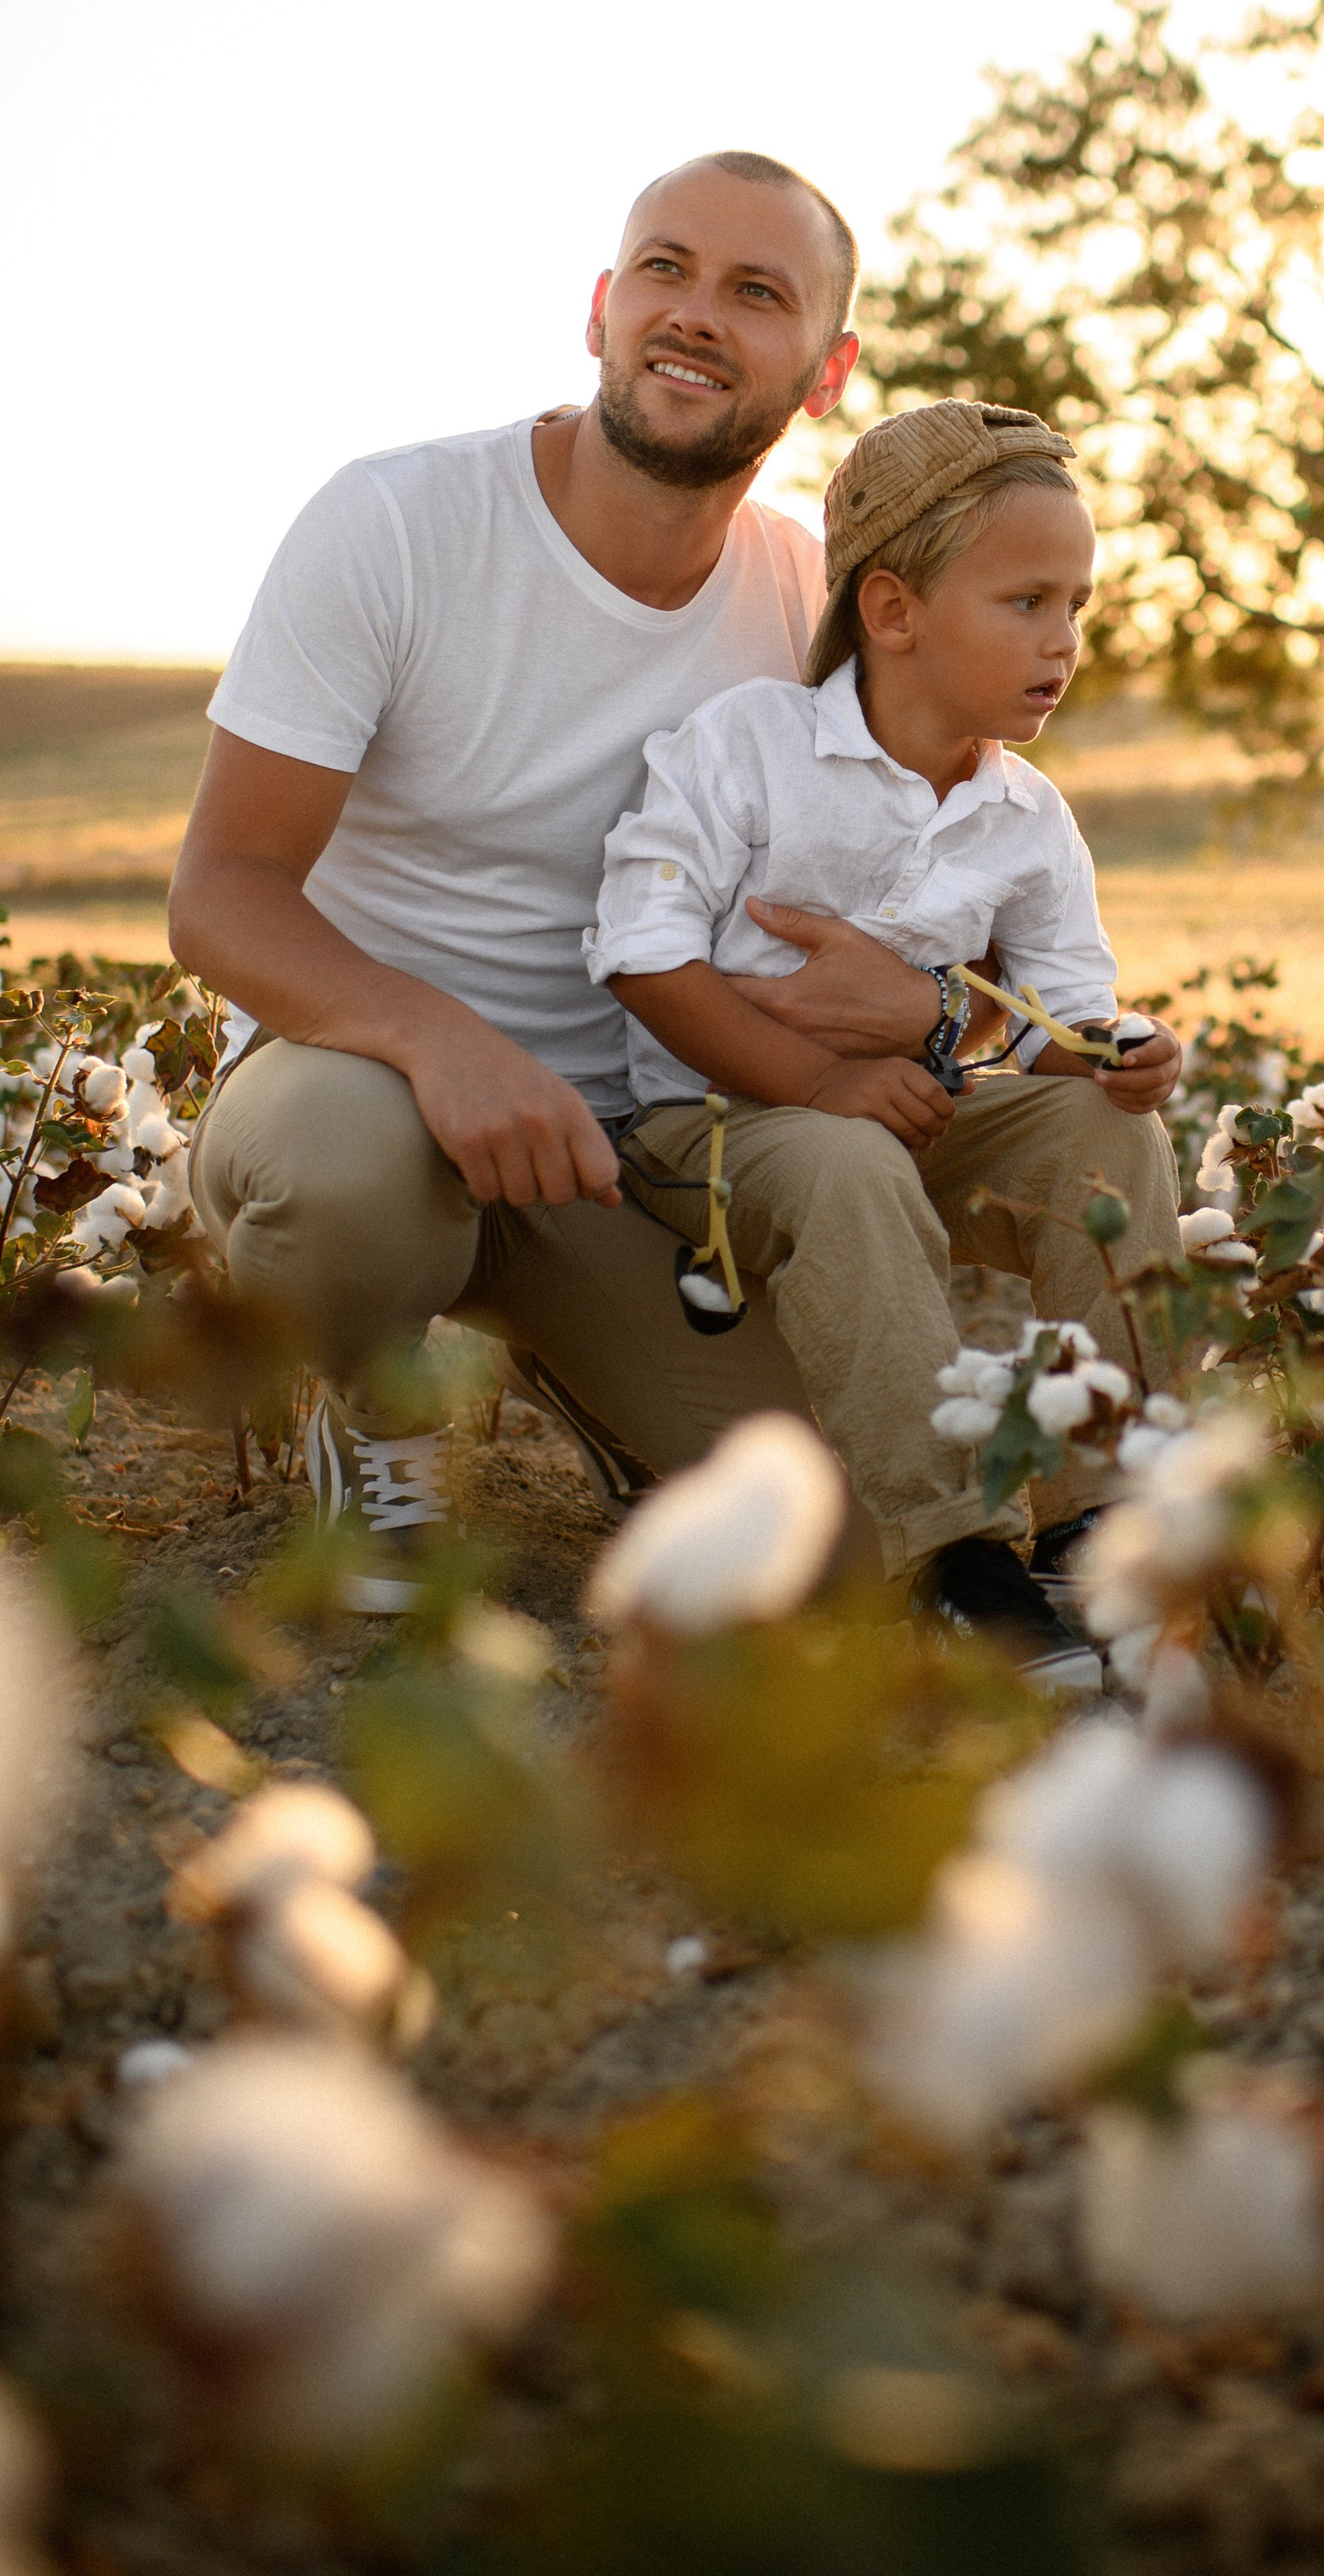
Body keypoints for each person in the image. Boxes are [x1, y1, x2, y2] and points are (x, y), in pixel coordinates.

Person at [168, 153, 1175, 1616]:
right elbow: (223, 895)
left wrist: (935, 1010)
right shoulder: (395, 525)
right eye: (665, 268)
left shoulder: (810, 609)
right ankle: (376, 1403)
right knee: (348, 1177)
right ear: (600, 309)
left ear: (824, 375)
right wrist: (446, 1043)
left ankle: (593, 1368)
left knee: (823, 1553)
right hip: (368, 1086)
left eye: (756, 294)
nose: (695, 314)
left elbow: (935, 868)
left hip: (647, 1158)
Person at [587, 398, 1184, 1685]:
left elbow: (1058, 1033)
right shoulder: (747, 747)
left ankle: (1100, 1514)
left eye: (1077, 605)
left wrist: (1121, 1056)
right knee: (849, 1159)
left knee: (1107, 1132)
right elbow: (640, 949)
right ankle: (949, 1557)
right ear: (894, 610)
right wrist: (821, 1079)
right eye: (1026, 602)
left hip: (906, 1124)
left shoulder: (1029, 817)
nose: (1065, 641)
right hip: (712, 1132)